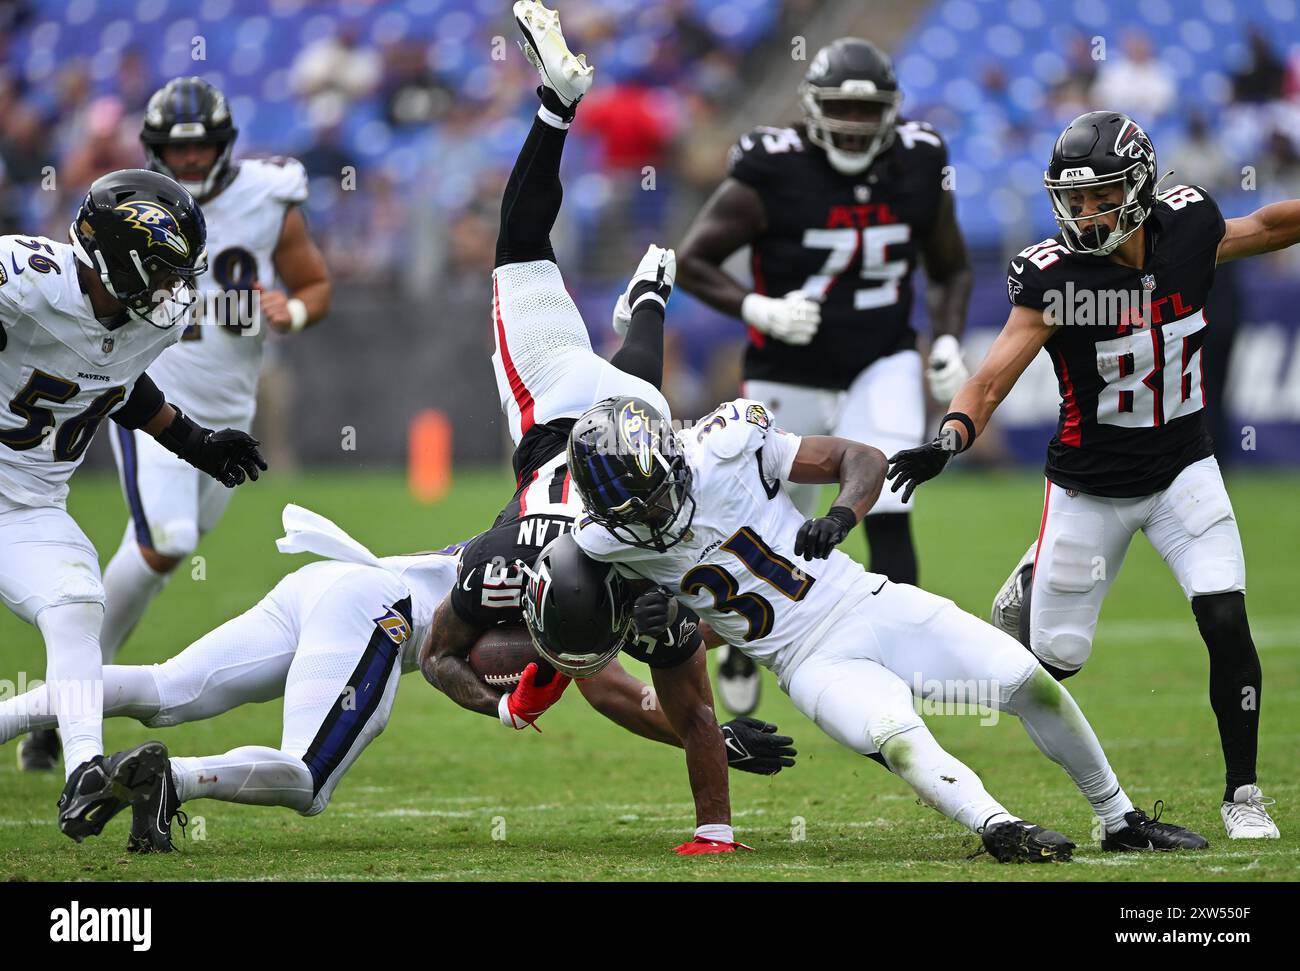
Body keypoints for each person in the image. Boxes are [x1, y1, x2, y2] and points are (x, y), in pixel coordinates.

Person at [563, 391, 1208, 861]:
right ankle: (1000, 829)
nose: (650, 514)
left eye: (652, 493)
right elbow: (587, 630)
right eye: (631, 509)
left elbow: (859, 456)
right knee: (898, 738)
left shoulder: (727, 446)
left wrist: (842, 516)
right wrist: (647, 624)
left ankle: (1119, 818)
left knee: (1026, 681)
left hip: (869, 602)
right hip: (808, 664)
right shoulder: (601, 544)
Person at [888, 111, 1296, 839]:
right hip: (1087, 488)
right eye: (1072, 200)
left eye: (1099, 196)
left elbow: (1265, 225)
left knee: (1225, 614)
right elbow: (992, 377)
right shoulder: (1057, 276)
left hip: (1183, 469)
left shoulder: (1191, 228)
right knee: (1051, 668)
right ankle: (1031, 577)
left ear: (1139, 187)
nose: (1083, 213)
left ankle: (1243, 794)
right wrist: (949, 437)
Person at [676, 37, 973, 715]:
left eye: (869, 114)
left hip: (882, 353)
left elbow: (951, 265)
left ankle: (902, 661)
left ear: (893, 114)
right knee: (769, 519)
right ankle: (739, 645)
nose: (855, 126)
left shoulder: (921, 158)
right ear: (811, 108)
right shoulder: (772, 167)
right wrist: (759, 308)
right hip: (788, 365)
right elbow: (694, 261)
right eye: (840, 109)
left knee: (892, 497)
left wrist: (948, 336)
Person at [0, 168, 265, 839]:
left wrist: (195, 440)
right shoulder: (25, 278)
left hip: (27, 507)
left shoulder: (143, 321)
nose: (177, 291)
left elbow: (113, 380)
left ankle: (84, 770)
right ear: (119, 260)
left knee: (76, 603)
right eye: (165, 273)